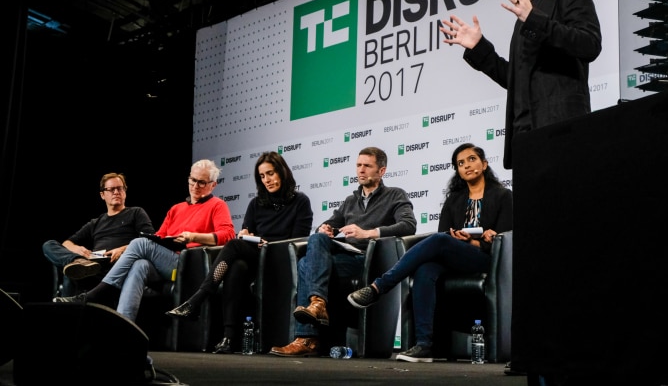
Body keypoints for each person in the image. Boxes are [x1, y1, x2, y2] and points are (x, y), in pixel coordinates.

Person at [440, 0, 602, 171]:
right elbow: (516, 79)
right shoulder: (525, 16)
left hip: (563, 135)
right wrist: (478, 47)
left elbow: (589, 45)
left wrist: (534, 19)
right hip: (524, 142)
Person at [346, 143, 512, 363]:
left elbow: (504, 237)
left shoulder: (503, 196)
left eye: (472, 159)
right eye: (460, 163)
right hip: (455, 255)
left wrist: (474, 241)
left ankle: (379, 287)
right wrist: (457, 237)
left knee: (439, 240)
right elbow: (445, 233)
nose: (466, 165)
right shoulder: (454, 199)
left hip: (487, 258)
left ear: (484, 164)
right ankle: (424, 345)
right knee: (425, 269)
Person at [269, 146, 417, 357]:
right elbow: (331, 223)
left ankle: (306, 338)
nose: (361, 170)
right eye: (358, 165)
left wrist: (368, 233)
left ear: (381, 171)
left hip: (368, 259)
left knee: (305, 265)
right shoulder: (350, 200)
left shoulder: (395, 195)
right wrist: (326, 228)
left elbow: (408, 226)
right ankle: (317, 305)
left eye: (367, 166)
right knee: (315, 243)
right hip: (344, 256)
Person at [165, 151, 313, 354]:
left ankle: (197, 299)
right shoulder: (256, 203)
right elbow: (246, 231)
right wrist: (246, 235)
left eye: (270, 173)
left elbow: (298, 240)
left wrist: (268, 243)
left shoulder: (300, 201)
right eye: (262, 176)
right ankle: (228, 338)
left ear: (282, 172)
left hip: (281, 260)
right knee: (236, 266)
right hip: (257, 258)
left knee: (234, 245)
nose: (267, 180)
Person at [54, 159, 236, 322]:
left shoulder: (217, 205)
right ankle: (124, 326)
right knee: (139, 265)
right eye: (192, 180)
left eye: (201, 182)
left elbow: (228, 235)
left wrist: (193, 236)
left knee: (139, 243)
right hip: (168, 263)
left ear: (213, 185)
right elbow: (159, 236)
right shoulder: (176, 209)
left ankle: (96, 294)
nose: (195, 186)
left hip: (188, 264)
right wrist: (156, 241)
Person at [42, 172, 155, 297]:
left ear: (125, 191)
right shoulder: (96, 223)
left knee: (71, 271)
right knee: (49, 245)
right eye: (111, 189)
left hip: (119, 265)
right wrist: (77, 250)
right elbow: (67, 243)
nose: (116, 192)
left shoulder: (136, 212)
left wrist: (123, 250)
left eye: (120, 188)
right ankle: (77, 262)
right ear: (102, 195)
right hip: (95, 267)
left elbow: (150, 240)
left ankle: (70, 300)